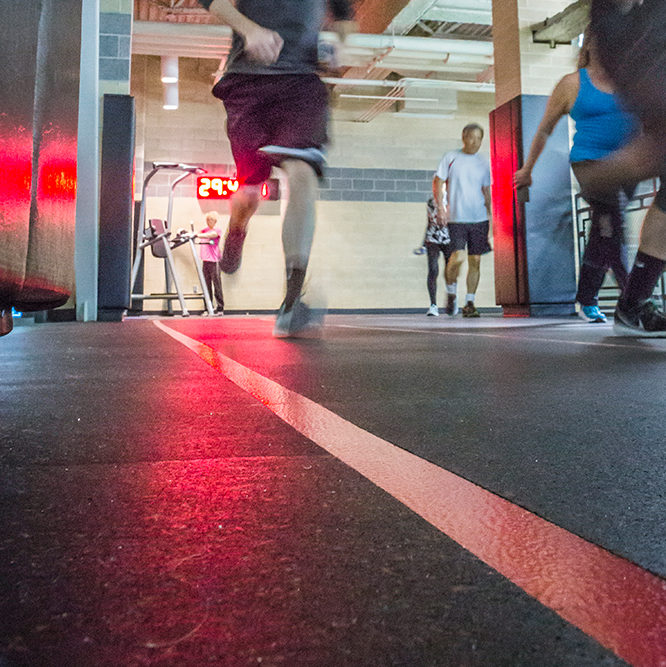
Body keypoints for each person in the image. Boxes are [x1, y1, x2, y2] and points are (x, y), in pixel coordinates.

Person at [196, 0, 356, 337]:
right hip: (248, 82)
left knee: (303, 173)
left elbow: (344, 17)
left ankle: (292, 300)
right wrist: (249, 29)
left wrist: (338, 43)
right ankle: (237, 229)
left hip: (302, 83)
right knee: (249, 192)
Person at [513, 31, 639, 323]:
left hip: (627, 163)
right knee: (614, 220)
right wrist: (527, 169)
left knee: (603, 232)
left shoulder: (630, 81)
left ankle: (587, 298)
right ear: (589, 46)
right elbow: (545, 128)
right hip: (589, 162)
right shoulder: (572, 84)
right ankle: (634, 301)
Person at [578, 0, 666, 335]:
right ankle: (619, 168)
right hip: (643, 45)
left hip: (638, 43)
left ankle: (633, 303)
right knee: (607, 240)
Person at [432, 124, 493, 318]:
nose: (475, 142)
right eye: (472, 138)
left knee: (475, 261)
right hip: (456, 218)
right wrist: (440, 207)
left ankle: (470, 302)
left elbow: (487, 192)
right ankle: (451, 292)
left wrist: (492, 217)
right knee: (457, 258)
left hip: (479, 218)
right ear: (464, 138)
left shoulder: (483, 163)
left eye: (479, 138)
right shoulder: (451, 157)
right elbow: (438, 181)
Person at [423, 197, 452, 316]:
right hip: (433, 238)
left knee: (450, 272)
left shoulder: (453, 201)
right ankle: (433, 305)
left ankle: (451, 299)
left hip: (449, 239)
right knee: (433, 270)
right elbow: (435, 220)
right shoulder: (431, 202)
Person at [197, 211, 224, 315]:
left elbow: (212, 235)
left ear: (215, 221)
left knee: (216, 284)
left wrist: (199, 235)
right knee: (206, 285)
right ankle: (208, 307)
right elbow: (196, 233)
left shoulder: (217, 230)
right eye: (207, 220)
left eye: (211, 220)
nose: (209, 222)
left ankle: (220, 308)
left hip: (214, 261)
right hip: (206, 260)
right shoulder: (205, 230)